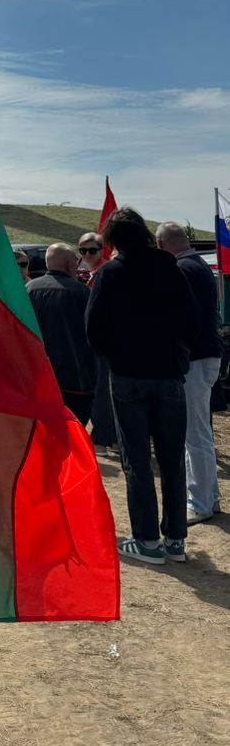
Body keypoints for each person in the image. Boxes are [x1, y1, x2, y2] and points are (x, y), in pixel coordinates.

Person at [86, 207, 198, 566]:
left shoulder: (111, 274)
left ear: (112, 239)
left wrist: (117, 356)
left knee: (136, 459)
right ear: (147, 235)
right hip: (169, 376)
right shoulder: (171, 269)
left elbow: (93, 331)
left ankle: (148, 540)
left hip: (128, 377)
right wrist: (177, 355)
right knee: (171, 458)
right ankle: (176, 540)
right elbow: (192, 323)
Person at [156, 222, 223, 523]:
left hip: (194, 357)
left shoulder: (182, 269)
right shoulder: (197, 266)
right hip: (207, 353)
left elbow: (180, 317)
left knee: (194, 433)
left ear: (161, 245)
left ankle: (200, 501)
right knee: (200, 431)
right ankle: (210, 496)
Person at [26, 244, 97, 425]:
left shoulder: (29, 289)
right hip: (74, 378)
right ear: (69, 265)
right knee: (72, 431)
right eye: (76, 260)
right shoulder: (82, 293)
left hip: (37, 376)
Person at [78, 232, 118, 452]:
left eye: (91, 250)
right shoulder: (87, 273)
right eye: (82, 250)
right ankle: (107, 435)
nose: (86, 255)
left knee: (102, 390)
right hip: (91, 341)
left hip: (103, 342)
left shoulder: (105, 272)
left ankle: (103, 438)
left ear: (101, 249)